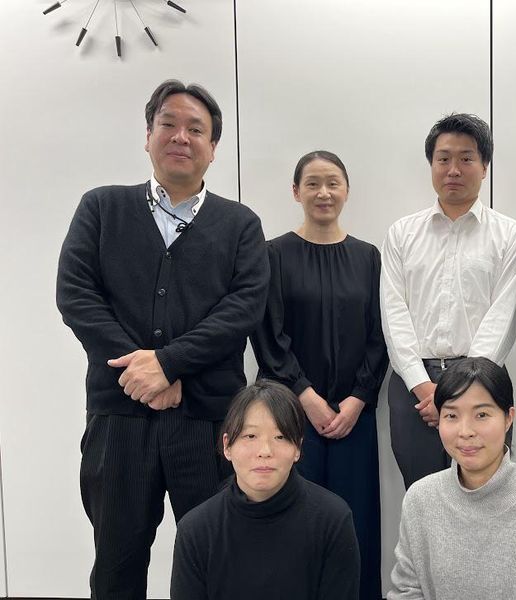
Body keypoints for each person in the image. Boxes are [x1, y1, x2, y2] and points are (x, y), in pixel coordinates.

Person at [56, 79, 269, 599]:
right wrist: (142, 372)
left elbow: (243, 309)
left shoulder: (240, 224)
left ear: (213, 148)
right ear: (147, 135)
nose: (180, 136)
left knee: (219, 560)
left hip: (207, 421)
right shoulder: (102, 207)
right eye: (168, 124)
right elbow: (76, 295)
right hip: (119, 418)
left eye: (196, 129)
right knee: (117, 563)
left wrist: (170, 364)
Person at [250, 150, 388, 599]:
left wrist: (358, 399)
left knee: (355, 523)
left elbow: (380, 335)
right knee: (292, 523)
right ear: (296, 192)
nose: (323, 192)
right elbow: (268, 335)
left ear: (347, 191)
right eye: (312, 183)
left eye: (333, 183)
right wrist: (305, 397)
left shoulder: (369, 258)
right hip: (290, 418)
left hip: (354, 417)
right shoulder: (273, 255)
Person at [380, 113, 516, 488]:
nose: (454, 169)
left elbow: (504, 317)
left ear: (485, 166)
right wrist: (422, 386)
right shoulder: (401, 234)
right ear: (431, 164)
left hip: (484, 382)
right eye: (443, 159)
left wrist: (459, 392)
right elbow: (394, 315)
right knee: (422, 493)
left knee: (486, 493)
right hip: (414, 388)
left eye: (466, 158)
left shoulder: (511, 236)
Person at [387, 357, 516, 600]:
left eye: (482, 415)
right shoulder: (420, 499)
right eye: (452, 416)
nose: (466, 431)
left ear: (508, 418)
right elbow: (406, 592)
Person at [170, 380, 360, 599]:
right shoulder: (196, 530)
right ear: (227, 445)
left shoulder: (332, 520)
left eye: (280, 437)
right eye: (250, 436)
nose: (265, 451)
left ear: (297, 448)